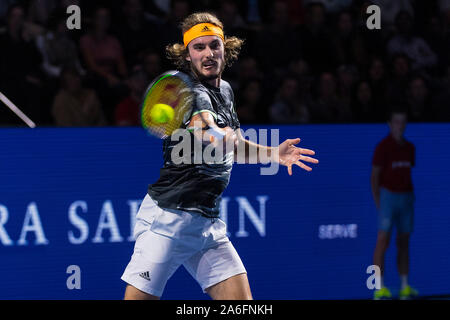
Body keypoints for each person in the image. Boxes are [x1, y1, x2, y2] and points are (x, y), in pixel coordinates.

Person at [121, 12, 319, 300]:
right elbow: (205, 127)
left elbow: (234, 147)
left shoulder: (225, 90)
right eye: (198, 47)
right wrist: (216, 135)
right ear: (187, 55)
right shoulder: (191, 92)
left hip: (206, 224)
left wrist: (273, 154)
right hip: (168, 221)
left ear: (226, 47)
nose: (208, 54)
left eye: (214, 45)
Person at [371, 109, 418, 300]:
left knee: (404, 242)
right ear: (390, 124)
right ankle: (379, 287)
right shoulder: (382, 147)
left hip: (406, 198)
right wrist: (379, 201)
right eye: (396, 122)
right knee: (383, 241)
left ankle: (405, 286)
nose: (400, 125)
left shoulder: (410, 148)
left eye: (403, 122)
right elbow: (374, 177)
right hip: (388, 197)